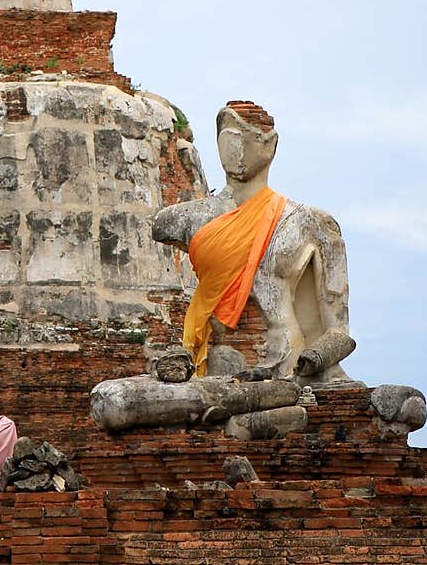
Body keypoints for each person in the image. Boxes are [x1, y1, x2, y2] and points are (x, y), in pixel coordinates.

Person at [152, 101, 356, 385]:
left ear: (270, 146)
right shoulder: (184, 219)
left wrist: (316, 360)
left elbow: (338, 333)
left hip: (287, 364)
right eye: (228, 137)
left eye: (247, 137)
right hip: (215, 364)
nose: (234, 147)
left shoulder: (310, 223)